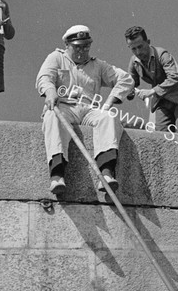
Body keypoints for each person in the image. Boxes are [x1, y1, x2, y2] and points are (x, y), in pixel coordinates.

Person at [36, 25, 133, 194]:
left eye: (86, 46)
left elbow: (125, 79)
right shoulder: (56, 57)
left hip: (89, 109)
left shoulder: (98, 65)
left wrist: (109, 102)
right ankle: (57, 176)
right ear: (67, 44)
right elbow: (45, 77)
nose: (82, 50)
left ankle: (107, 174)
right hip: (64, 106)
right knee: (52, 116)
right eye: (78, 46)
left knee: (109, 117)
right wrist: (50, 91)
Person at [125, 26, 178, 133]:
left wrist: (152, 91)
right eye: (133, 49)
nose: (138, 52)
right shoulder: (134, 61)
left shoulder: (162, 55)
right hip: (161, 100)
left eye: (140, 47)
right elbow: (131, 82)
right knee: (161, 133)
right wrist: (129, 91)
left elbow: (175, 76)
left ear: (148, 42)